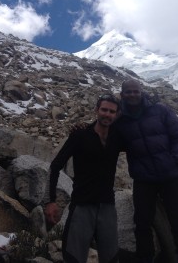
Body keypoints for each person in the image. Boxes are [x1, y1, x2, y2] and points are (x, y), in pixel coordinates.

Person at [114, 79, 178, 263]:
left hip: (169, 174)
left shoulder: (160, 110)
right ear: (122, 94)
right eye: (129, 92)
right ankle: (145, 257)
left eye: (136, 91)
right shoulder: (120, 119)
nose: (133, 95)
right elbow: (104, 132)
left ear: (141, 92)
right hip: (143, 178)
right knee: (142, 222)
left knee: (177, 218)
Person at [45, 94, 122, 263]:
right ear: (96, 110)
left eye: (111, 111)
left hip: (107, 206)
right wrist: (50, 201)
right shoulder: (80, 135)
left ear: (116, 115)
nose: (107, 114)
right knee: (73, 256)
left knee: (111, 258)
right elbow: (56, 166)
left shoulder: (117, 137)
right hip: (82, 205)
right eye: (104, 110)